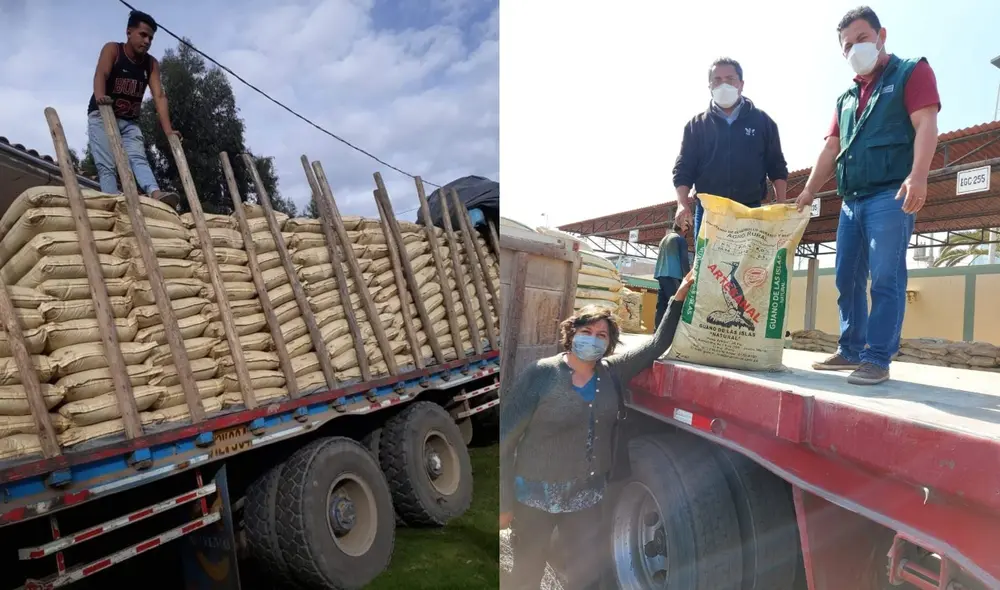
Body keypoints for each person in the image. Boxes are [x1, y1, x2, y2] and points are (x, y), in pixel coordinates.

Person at [499, 271, 695, 589]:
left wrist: (680, 296)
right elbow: (506, 439)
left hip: (585, 499)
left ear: (609, 344)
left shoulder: (612, 372)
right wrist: (505, 504)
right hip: (534, 498)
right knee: (525, 574)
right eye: (587, 331)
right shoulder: (541, 374)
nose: (593, 339)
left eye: (602, 336)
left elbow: (657, 345)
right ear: (572, 334)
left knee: (586, 576)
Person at [795, 6, 940, 386]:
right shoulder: (845, 98)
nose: (855, 49)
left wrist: (918, 175)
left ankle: (877, 357)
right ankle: (851, 349)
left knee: (885, 278)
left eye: (862, 39)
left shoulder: (911, 72)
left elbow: (926, 123)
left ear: (881, 35)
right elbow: (830, 150)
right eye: (847, 45)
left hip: (890, 196)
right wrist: (809, 191)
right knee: (846, 278)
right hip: (851, 201)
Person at [672, 57, 789, 239]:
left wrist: (781, 204)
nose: (723, 84)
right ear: (709, 86)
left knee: (748, 267)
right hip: (709, 213)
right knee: (707, 266)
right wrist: (682, 203)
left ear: (741, 84)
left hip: (749, 211)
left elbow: (777, 167)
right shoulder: (696, 126)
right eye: (717, 80)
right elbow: (683, 169)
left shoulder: (763, 122)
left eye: (730, 79)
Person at [88, 10, 180, 207]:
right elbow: (101, 74)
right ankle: (112, 202)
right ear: (129, 32)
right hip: (102, 115)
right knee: (107, 165)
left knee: (138, 158)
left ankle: (155, 194)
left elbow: (159, 96)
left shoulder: (151, 64)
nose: (147, 41)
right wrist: (101, 98)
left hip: (129, 121)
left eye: (151, 38)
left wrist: (168, 131)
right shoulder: (113, 50)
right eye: (143, 35)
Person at [653, 223, 690, 326]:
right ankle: (671, 332)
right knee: (675, 304)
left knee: (661, 305)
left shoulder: (664, 239)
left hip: (661, 275)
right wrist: (688, 278)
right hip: (673, 275)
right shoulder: (680, 239)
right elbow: (684, 260)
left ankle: (657, 331)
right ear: (684, 229)